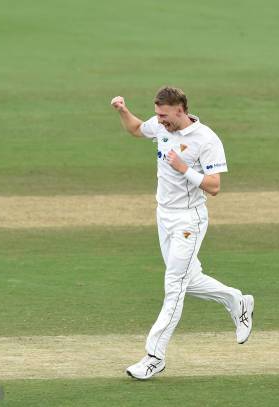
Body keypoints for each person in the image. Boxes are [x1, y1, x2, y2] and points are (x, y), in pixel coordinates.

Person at [111, 86, 254, 380]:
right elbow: (137, 129)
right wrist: (123, 111)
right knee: (189, 280)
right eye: (158, 115)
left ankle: (154, 356)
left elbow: (214, 186)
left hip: (190, 221)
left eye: (164, 116)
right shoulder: (161, 126)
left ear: (180, 110)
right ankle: (236, 301)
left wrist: (182, 167)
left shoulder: (207, 140)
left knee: (174, 286)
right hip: (163, 216)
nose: (160, 121)